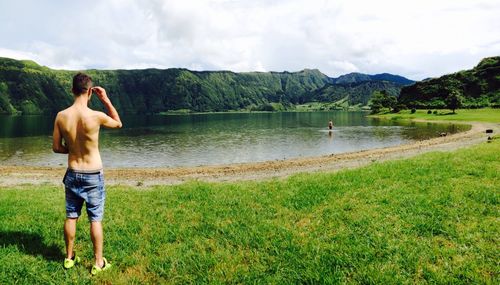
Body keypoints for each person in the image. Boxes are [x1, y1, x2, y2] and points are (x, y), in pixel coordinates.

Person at [52, 72, 122, 275]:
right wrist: (105, 99)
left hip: (73, 172)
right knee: (95, 219)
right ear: (90, 91)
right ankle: (98, 262)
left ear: (72, 90)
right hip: (93, 174)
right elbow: (118, 123)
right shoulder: (96, 116)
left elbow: (56, 147)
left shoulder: (61, 116)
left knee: (71, 216)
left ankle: (69, 257)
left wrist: (72, 149)